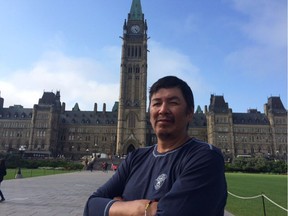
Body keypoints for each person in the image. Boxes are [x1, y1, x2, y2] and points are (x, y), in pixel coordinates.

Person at [84, 76, 227, 216]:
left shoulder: (205, 157)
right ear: (149, 111)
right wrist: (142, 209)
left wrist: (116, 207)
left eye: (173, 102)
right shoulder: (135, 158)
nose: (163, 110)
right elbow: (91, 206)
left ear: (189, 113)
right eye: (157, 103)